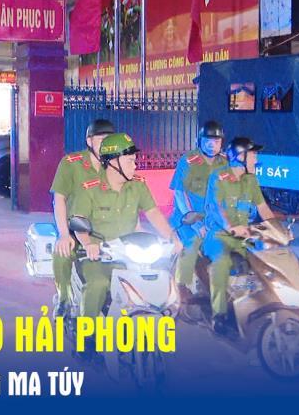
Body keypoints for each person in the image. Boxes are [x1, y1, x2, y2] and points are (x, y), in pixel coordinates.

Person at [71, 133, 183, 321]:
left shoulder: (138, 185)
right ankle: (87, 333)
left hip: (130, 254)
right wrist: (88, 244)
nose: (135, 165)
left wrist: (172, 238)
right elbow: (79, 221)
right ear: (113, 162)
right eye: (130, 160)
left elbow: (154, 213)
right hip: (100, 257)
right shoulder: (89, 188)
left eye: (134, 160)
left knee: (160, 280)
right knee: (98, 285)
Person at [203, 137, 276, 335]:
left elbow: (263, 208)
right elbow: (217, 208)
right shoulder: (219, 178)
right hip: (219, 235)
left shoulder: (251, 180)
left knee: (266, 262)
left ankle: (263, 306)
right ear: (240, 157)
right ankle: (219, 316)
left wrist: (278, 230)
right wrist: (231, 227)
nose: (256, 159)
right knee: (221, 263)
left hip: (244, 236)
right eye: (253, 155)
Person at [50, 119, 115, 318]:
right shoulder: (71, 163)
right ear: (89, 141)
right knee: (62, 254)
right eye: (101, 139)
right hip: (75, 227)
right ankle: (63, 298)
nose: (106, 144)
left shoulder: (117, 164)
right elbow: (59, 199)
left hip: (106, 230)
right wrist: (63, 234)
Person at [169, 121, 227, 321]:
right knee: (192, 246)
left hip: (213, 219)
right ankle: (181, 292)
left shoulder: (224, 163)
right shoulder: (188, 161)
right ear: (199, 141)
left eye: (216, 141)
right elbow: (180, 193)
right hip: (187, 220)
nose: (212, 145)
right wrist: (195, 223)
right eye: (208, 141)